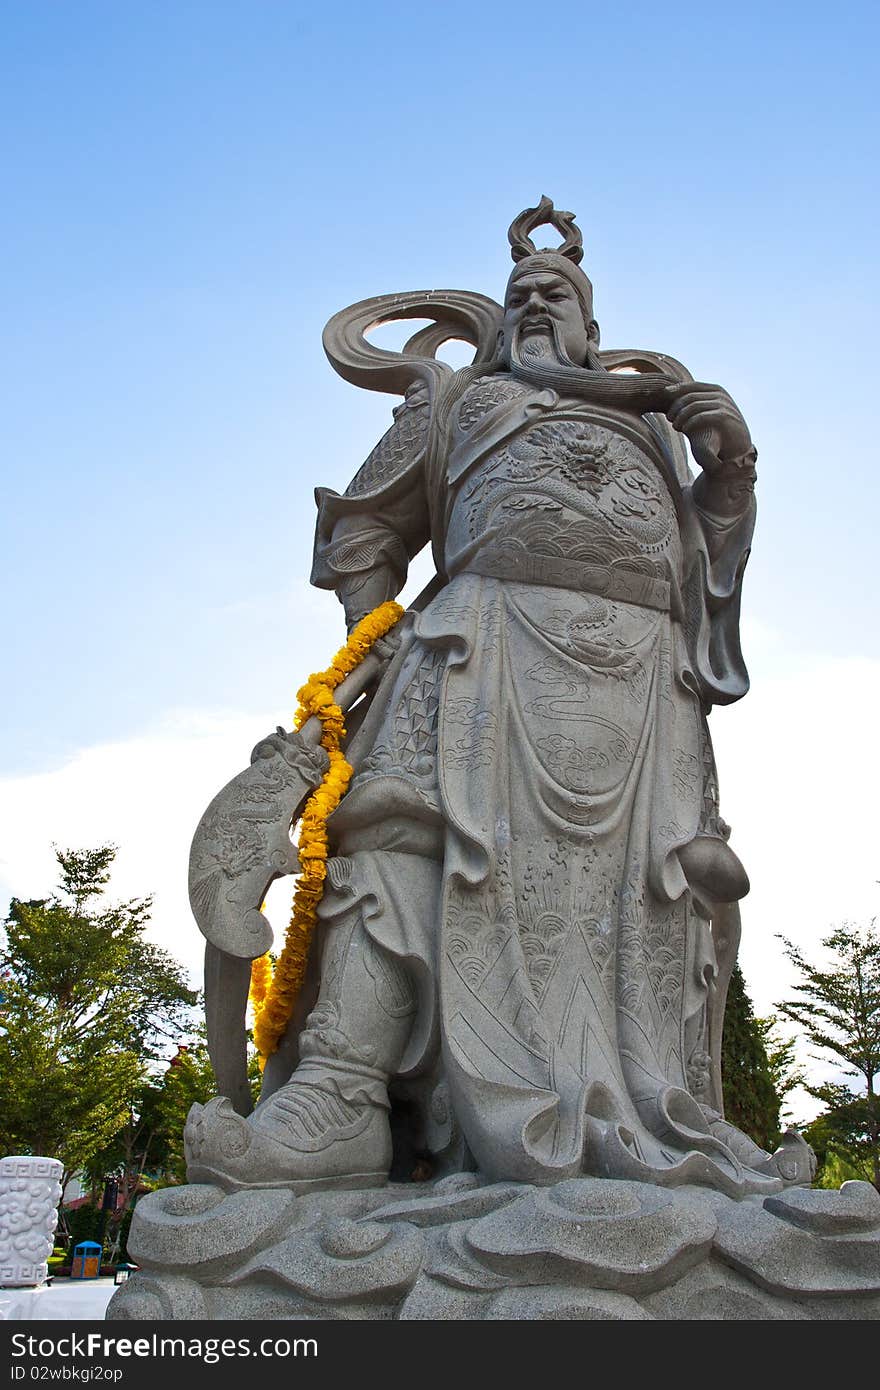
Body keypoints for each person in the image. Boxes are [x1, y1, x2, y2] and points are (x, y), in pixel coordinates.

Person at [185, 200, 810, 1195]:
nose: (530, 304)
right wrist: (374, 639)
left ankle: (655, 1108)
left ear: (589, 327)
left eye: (552, 294)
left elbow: (706, 556)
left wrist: (728, 469)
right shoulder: (453, 402)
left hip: (642, 691)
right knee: (394, 833)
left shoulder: (653, 418)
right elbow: (360, 537)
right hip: (478, 648)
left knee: (660, 894)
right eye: (519, 294)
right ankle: (338, 1097)